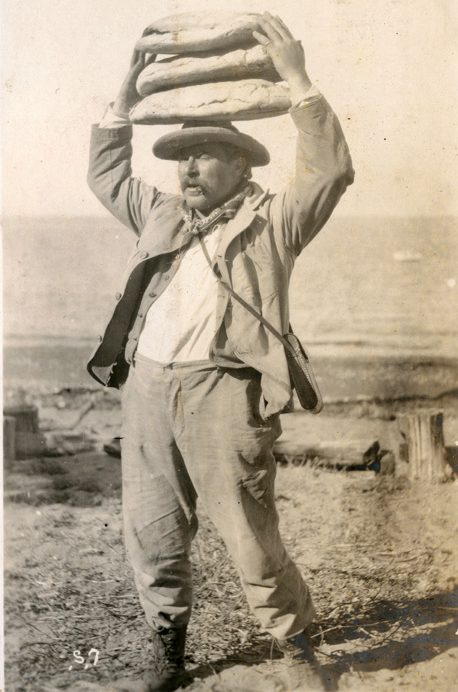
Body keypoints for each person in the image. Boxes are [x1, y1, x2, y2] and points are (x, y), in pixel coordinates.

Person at [87, 12, 354, 692]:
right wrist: (122, 97)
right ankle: (167, 650)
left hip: (224, 391)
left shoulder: (275, 221)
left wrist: (296, 78)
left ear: (241, 163)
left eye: (206, 155)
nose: (189, 168)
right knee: (152, 531)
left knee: (249, 534)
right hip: (148, 387)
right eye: (181, 157)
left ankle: (296, 651)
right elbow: (108, 175)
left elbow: (329, 170)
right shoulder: (162, 214)